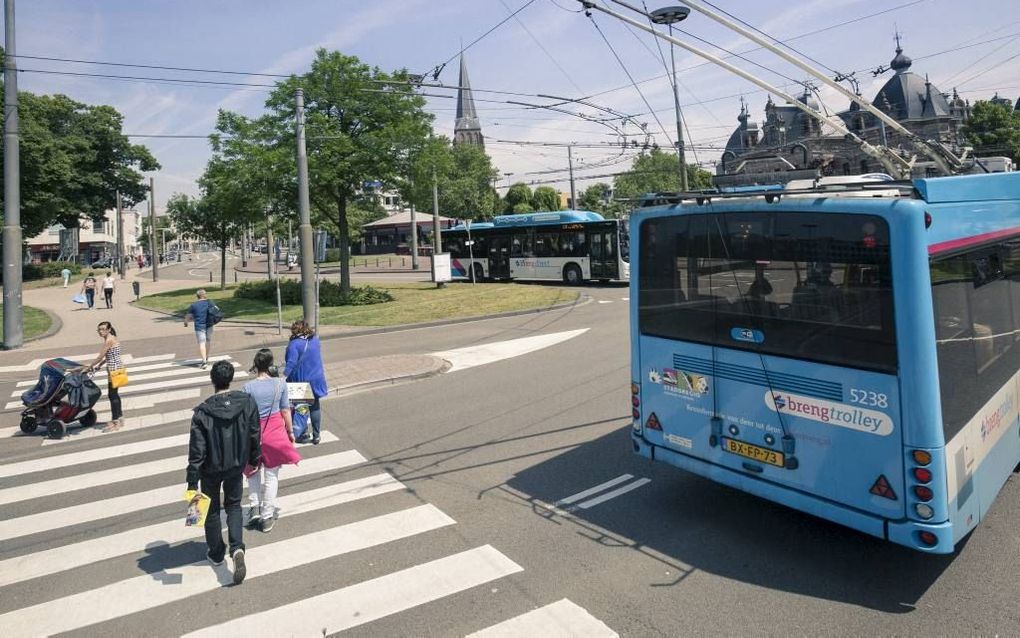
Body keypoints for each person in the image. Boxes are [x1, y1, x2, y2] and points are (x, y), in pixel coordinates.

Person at [186, 360, 260, 586]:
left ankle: (217, 552)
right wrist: (254, 459)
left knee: (209, 510)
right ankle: (237, 548)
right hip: (236, 465)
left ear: (212, 381)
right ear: (230, 379)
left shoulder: (202, 412)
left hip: (210, 470)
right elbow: (255, 433)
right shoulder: (246, 402)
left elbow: (197, 451)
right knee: (234, 505)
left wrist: (191, 481)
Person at [242, 349, 300, 532]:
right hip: (275, 431)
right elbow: (285, 410)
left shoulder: (247, 387)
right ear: (270, 365)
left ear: (255, 365)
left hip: (253, 433)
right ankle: (267, 516)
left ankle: (254, 507)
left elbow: (245, 414)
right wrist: (290, 432)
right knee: (271, 475)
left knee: (252, 471)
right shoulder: (279, 384)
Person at [283, 319, 328, 445]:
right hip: (317, 379)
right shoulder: (315, 340)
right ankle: (317, 435)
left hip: (301, 381)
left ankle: (302, 434)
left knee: (302, 408)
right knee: (315, 407)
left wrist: (283, 377)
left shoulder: (294, 344)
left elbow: (291, 363)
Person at [83, 321, 125, 432]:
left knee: (112, 395)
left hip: (114, 370)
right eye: (99, 329)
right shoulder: (113, 338)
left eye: (103, 329)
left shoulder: (109, 340)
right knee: (115, 394)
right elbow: (109, 356)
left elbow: (100, 356)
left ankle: (115, 422)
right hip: (118, 368)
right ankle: (120, 418)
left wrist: (90, 366)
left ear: (109, 329)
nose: (101, 331)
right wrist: (100, 366)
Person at [183, 289, 213, 368]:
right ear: (204, 295)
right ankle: (206, 357)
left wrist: (186, 322)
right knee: (208, 341)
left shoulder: (194, 305)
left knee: (202, 343)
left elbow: (188, 316)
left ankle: (204, 361)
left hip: (199, 326)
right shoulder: (209, 303)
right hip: (209, 325)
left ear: (197, 296)